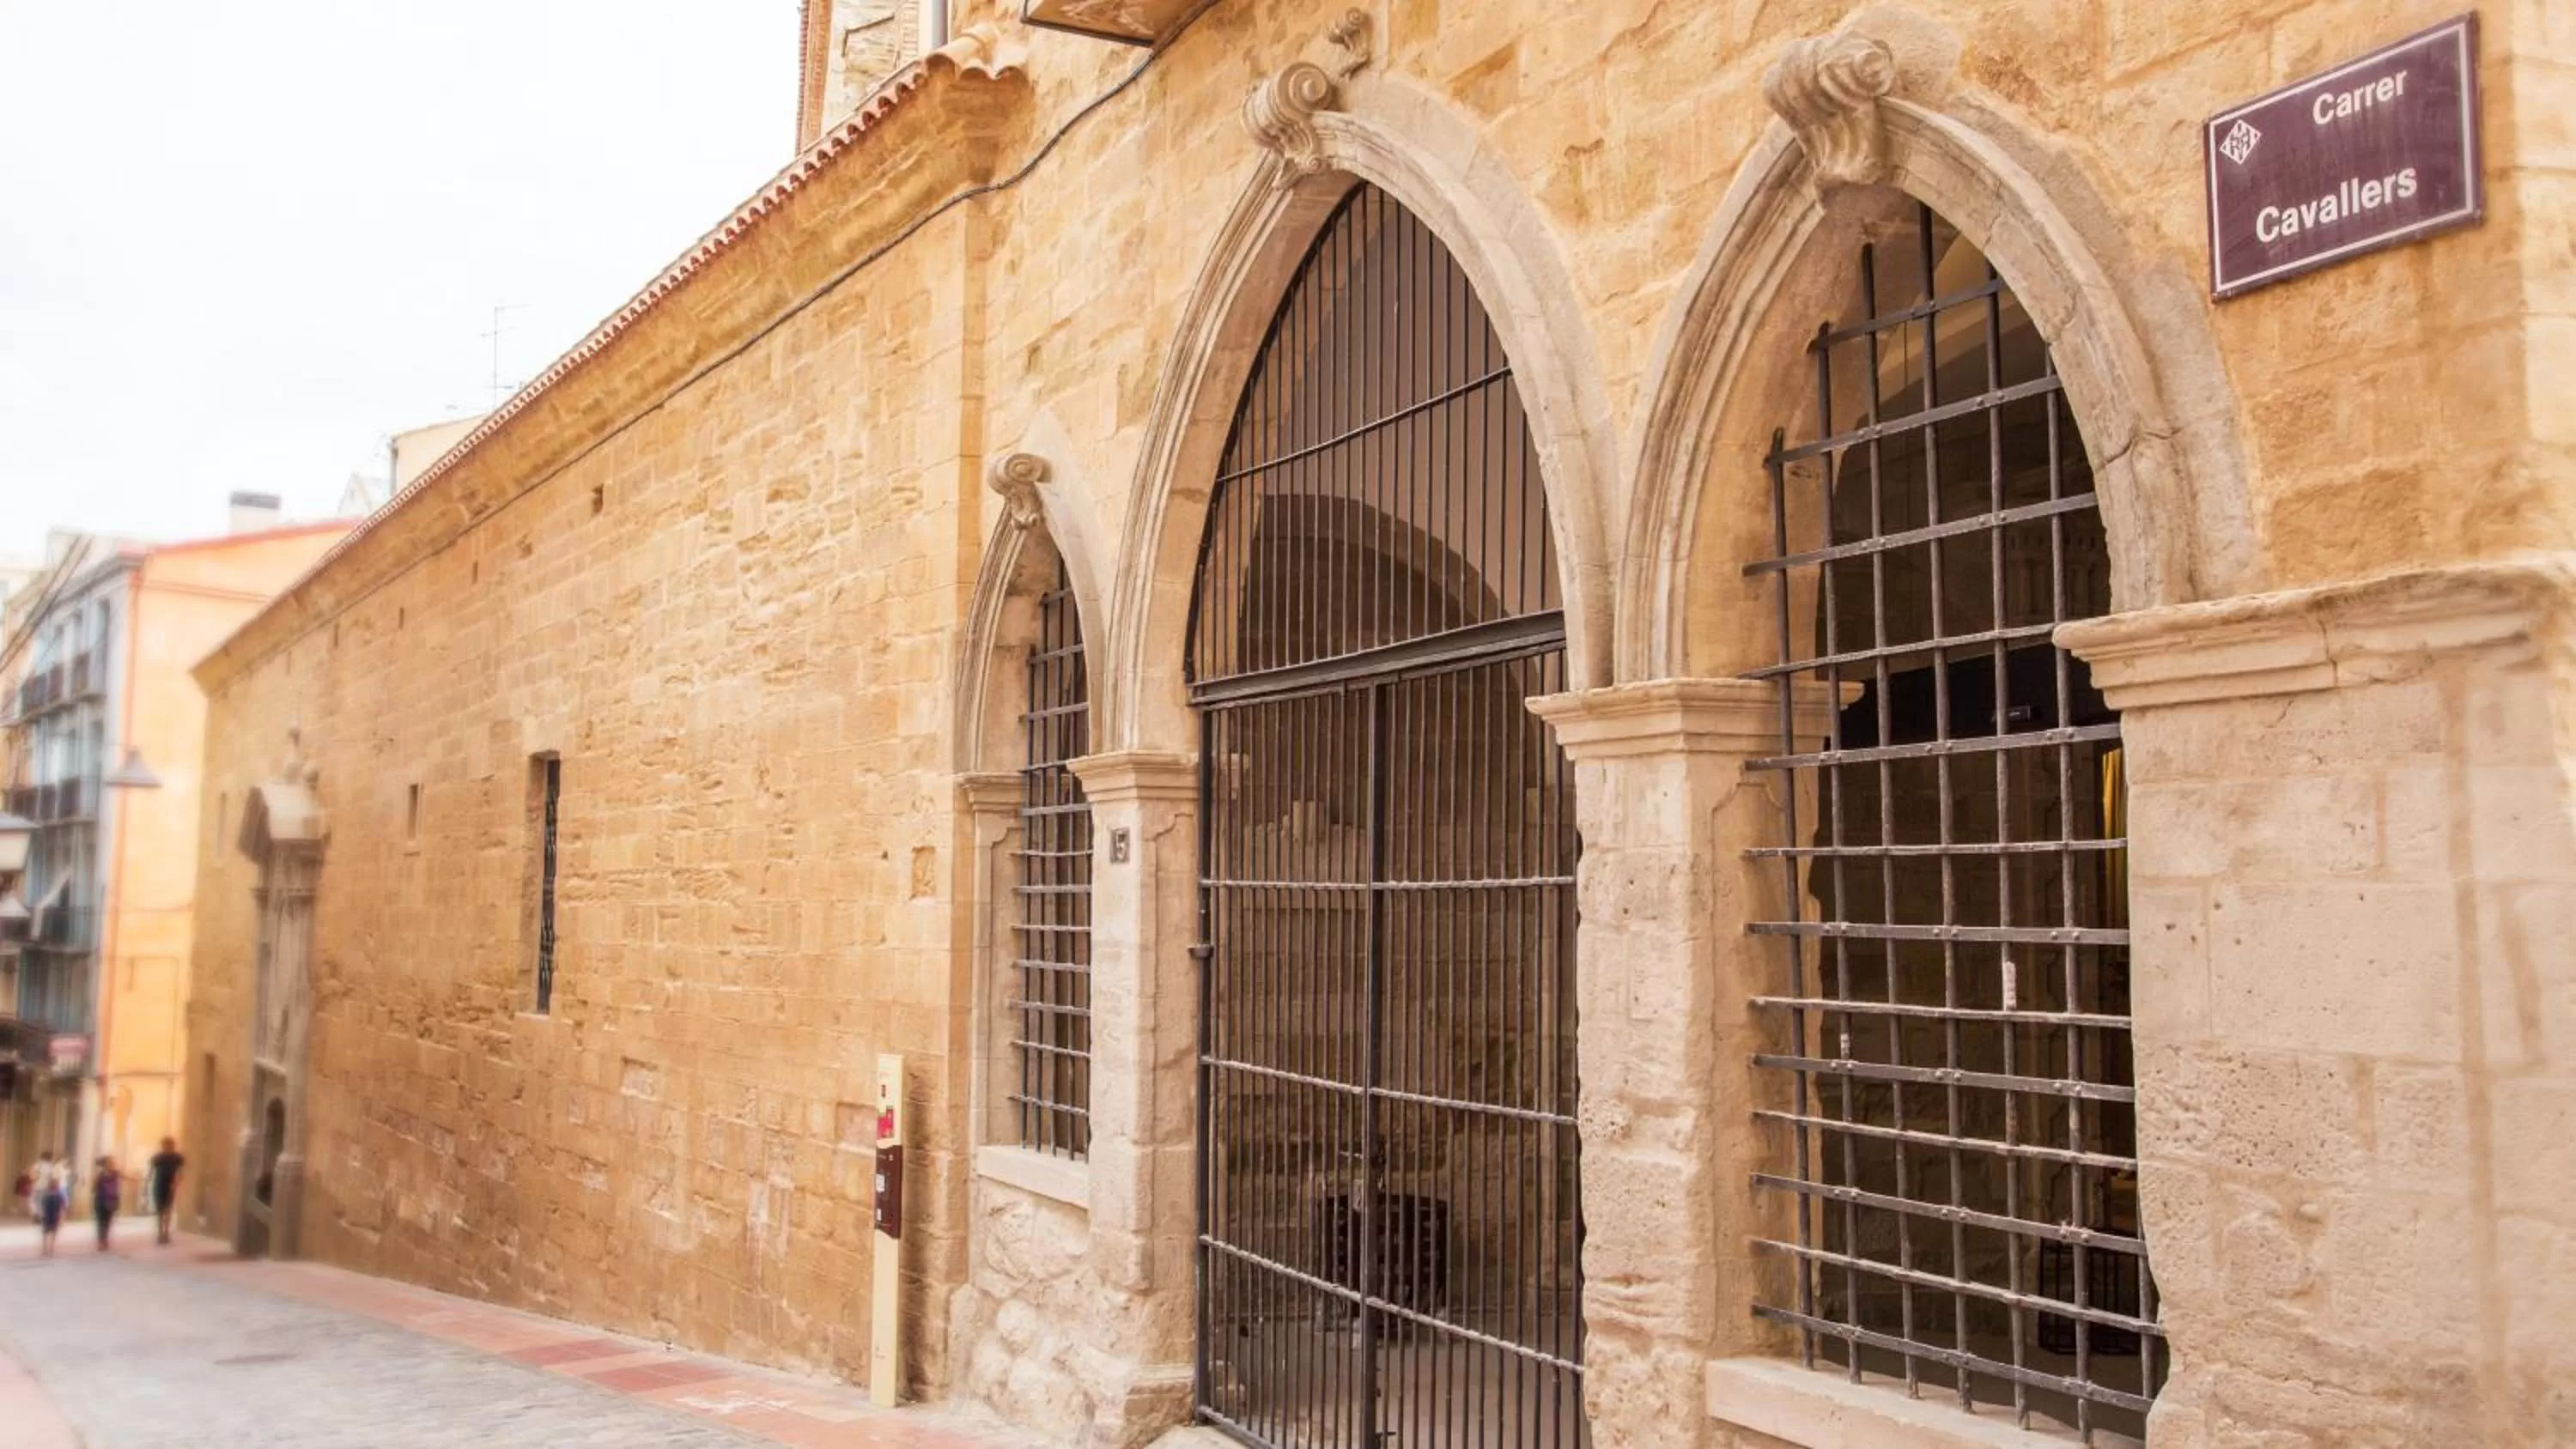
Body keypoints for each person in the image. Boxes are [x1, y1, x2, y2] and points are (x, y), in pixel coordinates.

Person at [148, 1137, 185, 1246]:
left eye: (170, 1145)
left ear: (172, 1146)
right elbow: (151, 1172)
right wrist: (146, 1186)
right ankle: (160, 1234)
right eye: (165, 1145)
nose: (167, 1147)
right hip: (158, 1185)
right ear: (162, 1146)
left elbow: (181, 1172)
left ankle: (166, 1233)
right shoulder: (157, 1158)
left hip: (170, 1186)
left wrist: (177, 1183)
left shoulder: (177, 1157)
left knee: (168, 1210)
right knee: (160, 1211)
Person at [30, 1152, 68, 1257]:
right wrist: (62, 1218)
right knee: (53, 1231)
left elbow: (32, 1176)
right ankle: (51, 1247)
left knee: (37, 1202)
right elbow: (63, 1206)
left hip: (38, 1188)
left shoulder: (38, 1165)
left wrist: (35, 1180)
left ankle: (44, 1247)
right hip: (47, 1189)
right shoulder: (52, 1167)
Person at [92, 1156, 120, 1252]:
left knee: (108, 1222)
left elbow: (127, 1177)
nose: (111, 1164)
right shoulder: (99, 1175)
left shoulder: (116, 1173)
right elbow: (93, 1188)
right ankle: (101, 1242)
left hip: (111, 1201)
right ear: (104, 1165)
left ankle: (105, 1240)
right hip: (100, 1201)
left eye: (112, 1163)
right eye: (109, 1163)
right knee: (101, 1222)